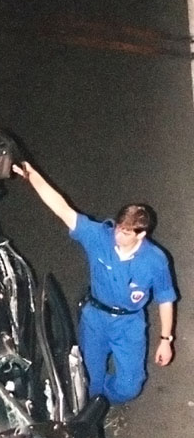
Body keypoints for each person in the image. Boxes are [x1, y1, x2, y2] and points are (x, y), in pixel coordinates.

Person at [14, 161, 176, 405]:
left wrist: (166, 340)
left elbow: (165, 298)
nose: (118, 235)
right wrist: (32, 175)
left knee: (129, 387)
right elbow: (62, 208)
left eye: (126, 232)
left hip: (129, 324)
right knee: (90, 382)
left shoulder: (155, 260)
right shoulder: (99, 236)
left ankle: (106, 397)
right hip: (95, 319)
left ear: (141, 234)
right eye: (119, 228)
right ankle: (94, 405)